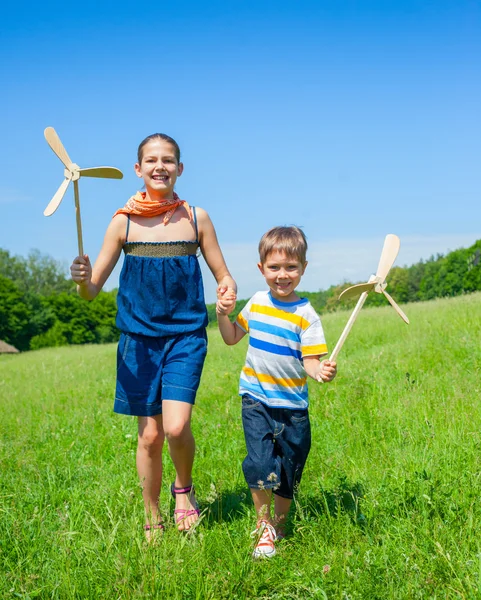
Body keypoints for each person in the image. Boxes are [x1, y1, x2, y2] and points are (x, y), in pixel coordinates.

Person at [70, 133, 236, 537]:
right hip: (138, 343)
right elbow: (92, 290)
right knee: (149, 436)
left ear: (180, 168)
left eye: (168, 160)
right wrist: (80, 280)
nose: (159, 166)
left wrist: (227, 288)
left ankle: (184, 491)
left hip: (185, 337)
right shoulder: (122, 221)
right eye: (151, 160)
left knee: (177, 427)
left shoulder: (197, 218)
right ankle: (151, 515)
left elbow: (222, 273)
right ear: (138, 169)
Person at [216, 226, 336, 558]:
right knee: (261, 463)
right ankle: (264, 525)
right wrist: (222, 314)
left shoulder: (307, 316)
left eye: (291, 268)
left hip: (293, 408)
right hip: (256, 400)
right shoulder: (255, 304)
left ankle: (280, 525)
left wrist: (320, 371)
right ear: (261, 269)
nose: (282, 275)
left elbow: (310, 362)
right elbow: (230, 337)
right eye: (274, 268)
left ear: (303, 268)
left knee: (289, 470)